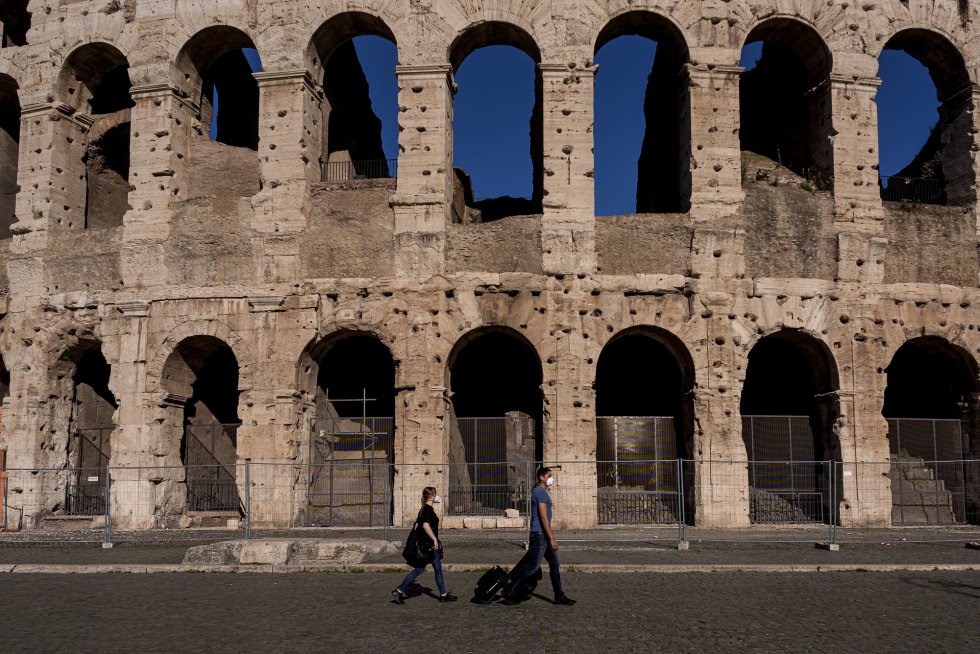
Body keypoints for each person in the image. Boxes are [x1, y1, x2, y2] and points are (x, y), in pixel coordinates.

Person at [501, 467, 576, 605]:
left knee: (554, 564)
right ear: (541, 477)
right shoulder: (540, 492)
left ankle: (559, 595)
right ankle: (510, 589)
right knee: (534, 566)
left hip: (542, 534)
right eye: (549, 475)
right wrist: (552, 537)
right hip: (540, 534)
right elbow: (543, 517)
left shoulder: (542, 492)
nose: (551, 478)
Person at [391, 486, 458, 604]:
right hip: (429, 547)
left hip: (429, 546)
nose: (437, 497)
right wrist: (435, 540)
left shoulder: (423, 509)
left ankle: (444, 595)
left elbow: (418, 524)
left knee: (437, 569)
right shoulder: (428, 510)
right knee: (419, 569)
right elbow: (425, 526)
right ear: (432, 496)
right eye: (436, 494)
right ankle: (399, 590)